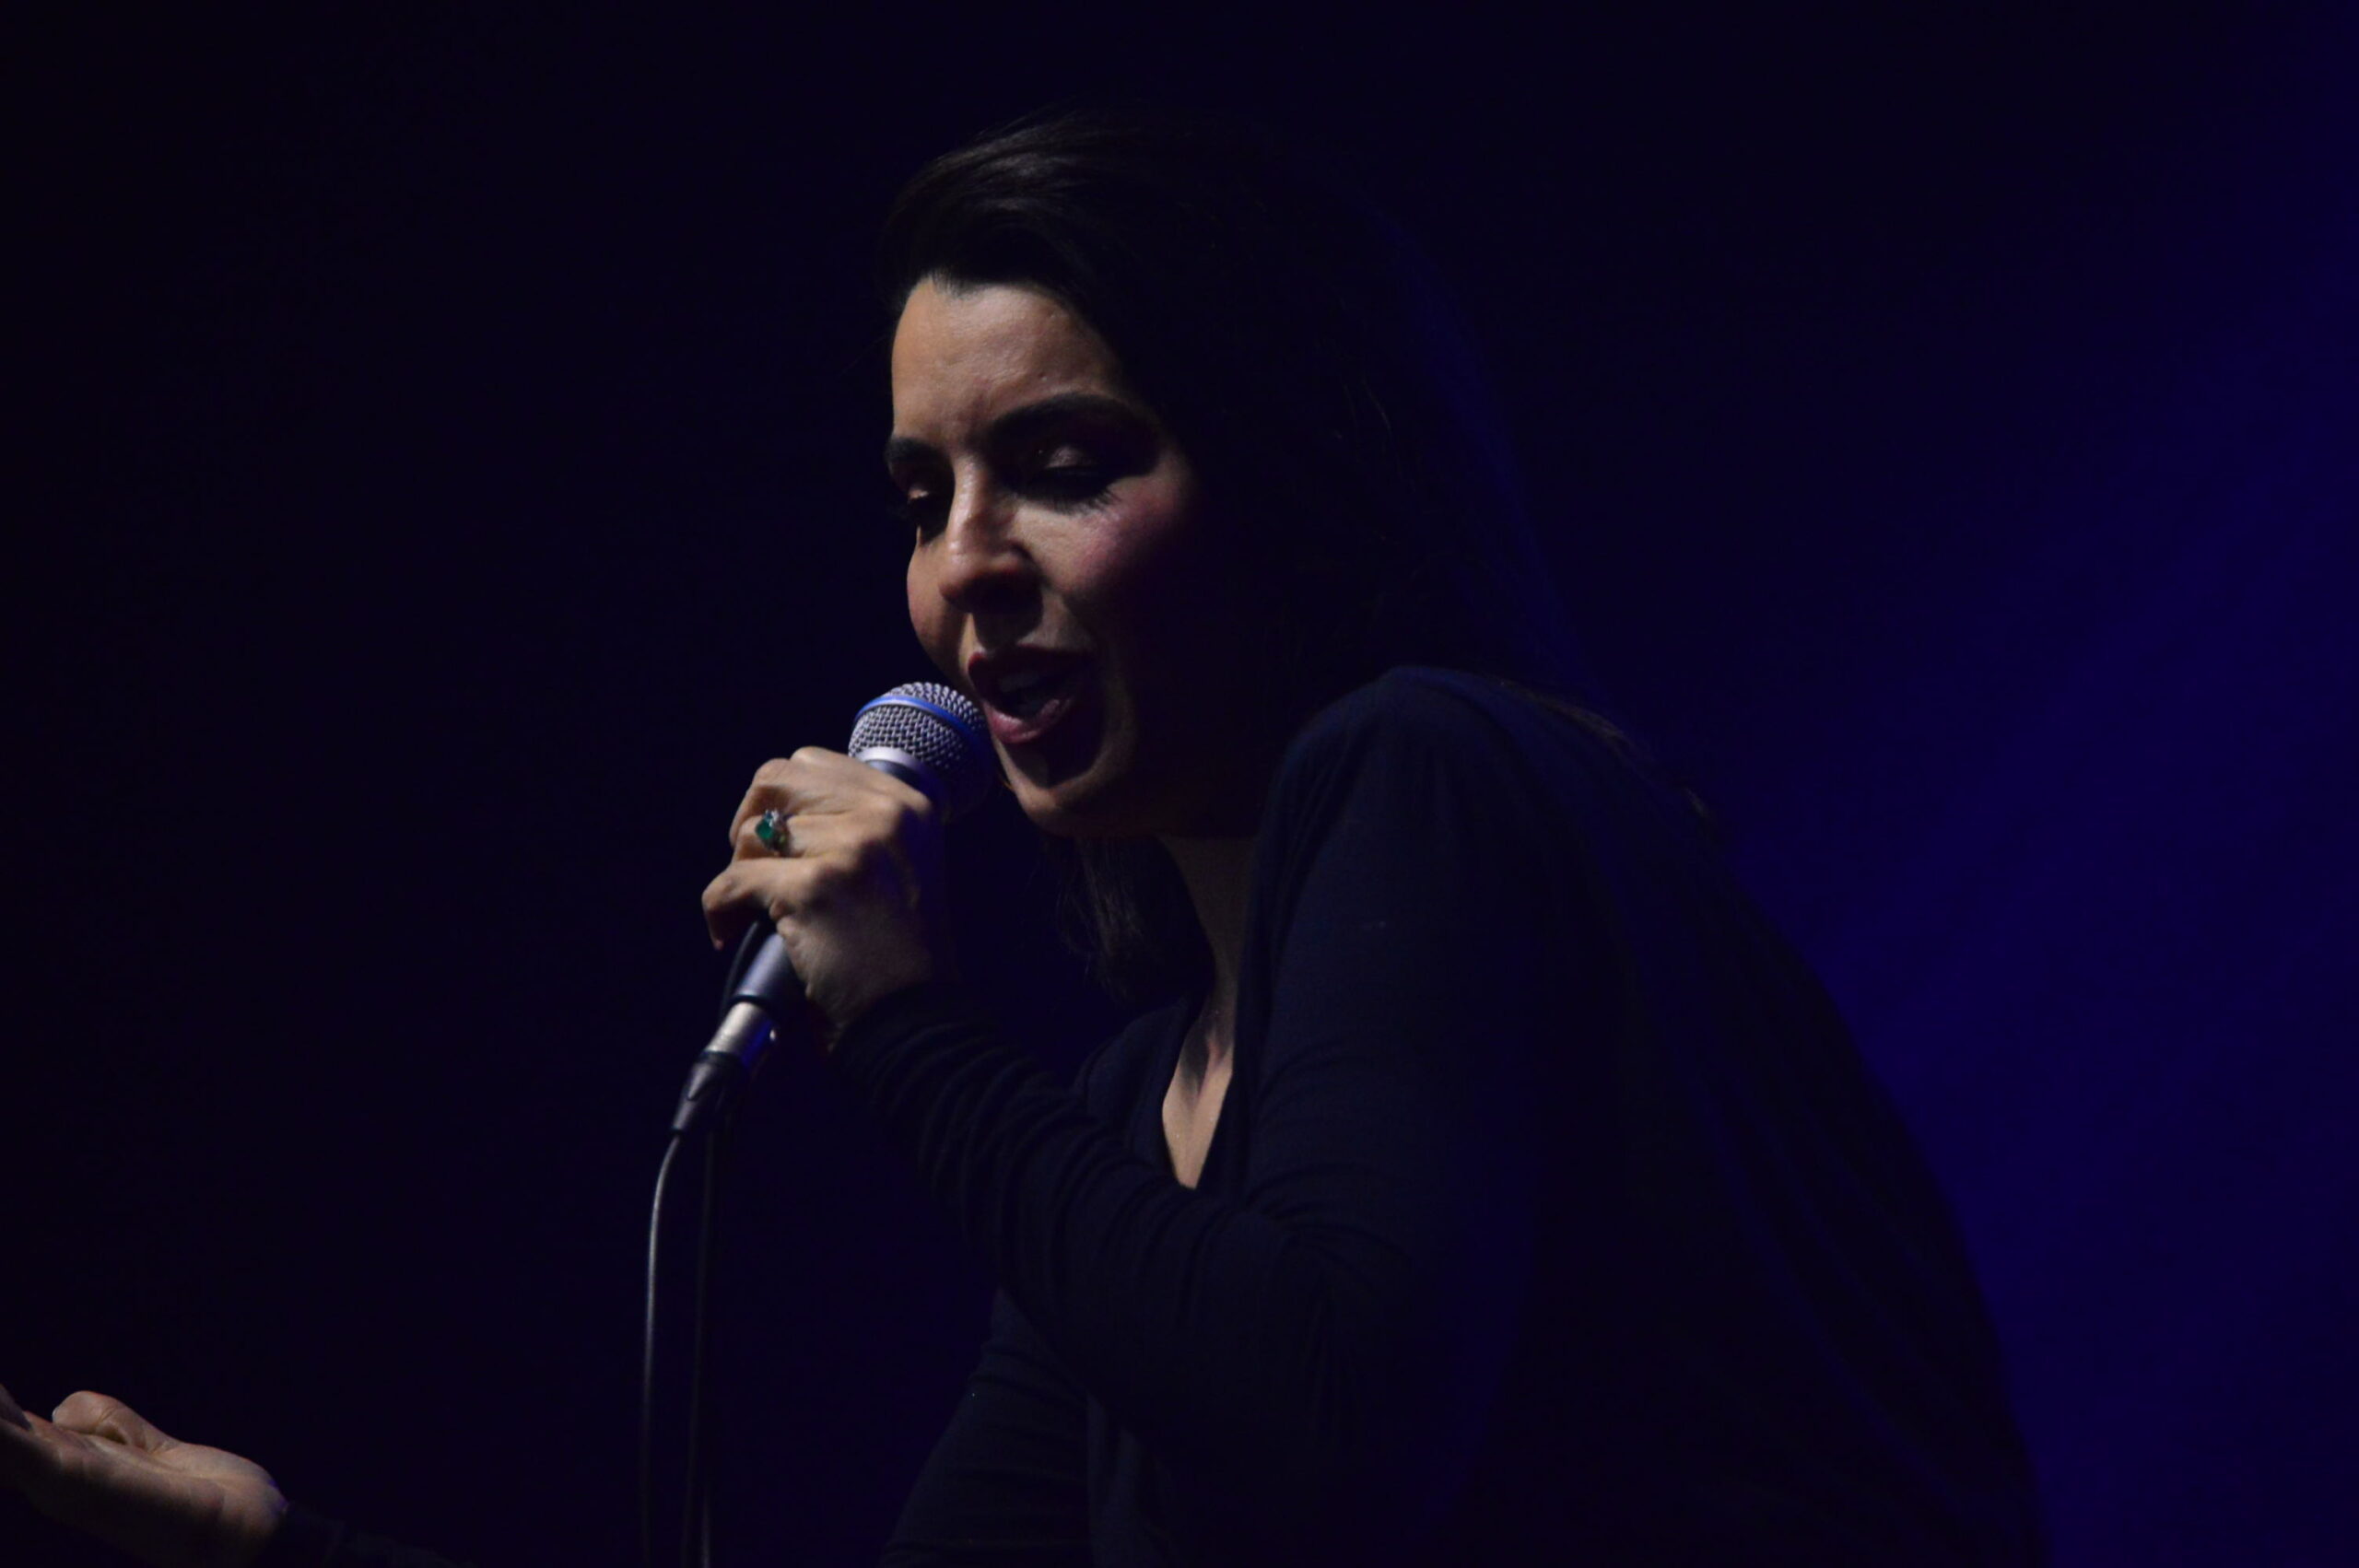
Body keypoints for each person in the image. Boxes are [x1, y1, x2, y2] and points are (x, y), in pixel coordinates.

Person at [2, 111, 2047, 1564]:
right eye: (923, 498)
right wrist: (276, 1545)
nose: (962, 568)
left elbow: (1333, 1426)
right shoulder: (1132, 1113)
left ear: (1298, 479)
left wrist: (901, 1021)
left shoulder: (1446, 768)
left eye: (1063, 466)